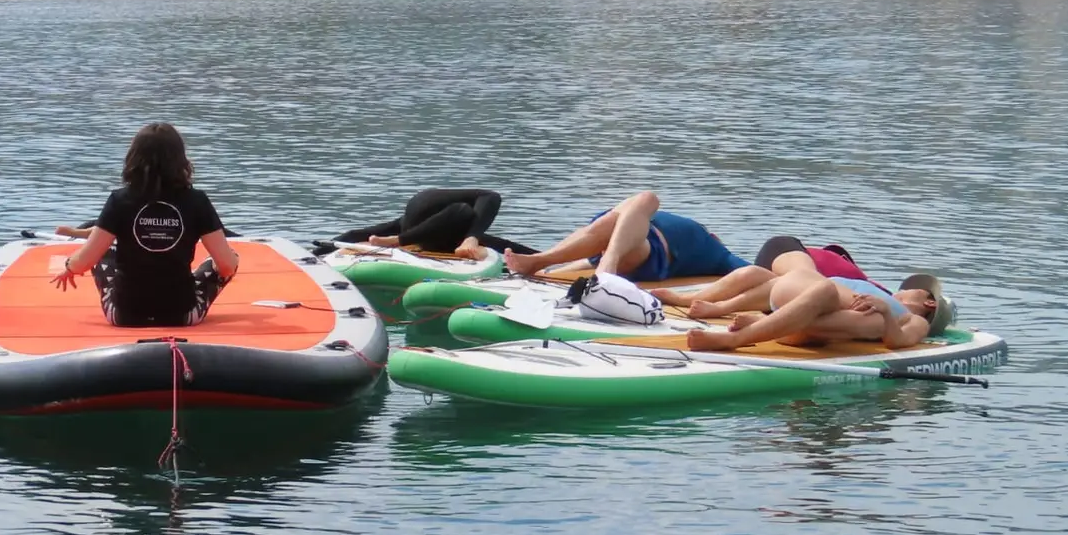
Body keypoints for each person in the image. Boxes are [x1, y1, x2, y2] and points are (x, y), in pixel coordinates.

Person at [50, 122, 240, 327]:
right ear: (180, 159)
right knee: (230, 256)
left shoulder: (119, 200)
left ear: (134, 157)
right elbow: (227, 266)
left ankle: (93, 233)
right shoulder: (197, 201)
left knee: (101, 251)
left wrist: (70, 267)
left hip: (124, 316)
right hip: (181, 316)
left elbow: (84, 262)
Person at [686, 267, 953, 353]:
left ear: (929, 302)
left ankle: (736, 339)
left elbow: (898, 341)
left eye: (916, 289)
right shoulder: (881, 294)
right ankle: (721, 306)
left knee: (824, 290)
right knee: (760, 274)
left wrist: (884, 311)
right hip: (806, 296)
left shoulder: (914, 319)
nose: (906, 288)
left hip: (831, 303)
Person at [502, 191, 748, 283]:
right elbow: (588, 262)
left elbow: (753, 273)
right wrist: (550, 279)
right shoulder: (711, 246)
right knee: (614, 221)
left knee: (647, 199)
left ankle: (543, 260)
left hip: (650, 254)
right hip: (617, 240)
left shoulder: (720, 255)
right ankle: (542, 264)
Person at [649, 235, 873, 317]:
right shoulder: (871, 291)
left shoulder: (882, 308)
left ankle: (699, 300)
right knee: (804, 278)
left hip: (783, 290)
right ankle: (699, 301)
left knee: (760, 277)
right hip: (789, 256)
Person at [331, 189, 533, 258]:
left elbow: (357, 233)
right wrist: (472, 237)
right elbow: (492, 197)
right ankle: (398, 240)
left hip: (422, 229)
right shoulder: (466, 209)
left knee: (487, 239)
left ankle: (398, 239)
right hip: (420, 223)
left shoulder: (458, 225)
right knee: (466, 212)